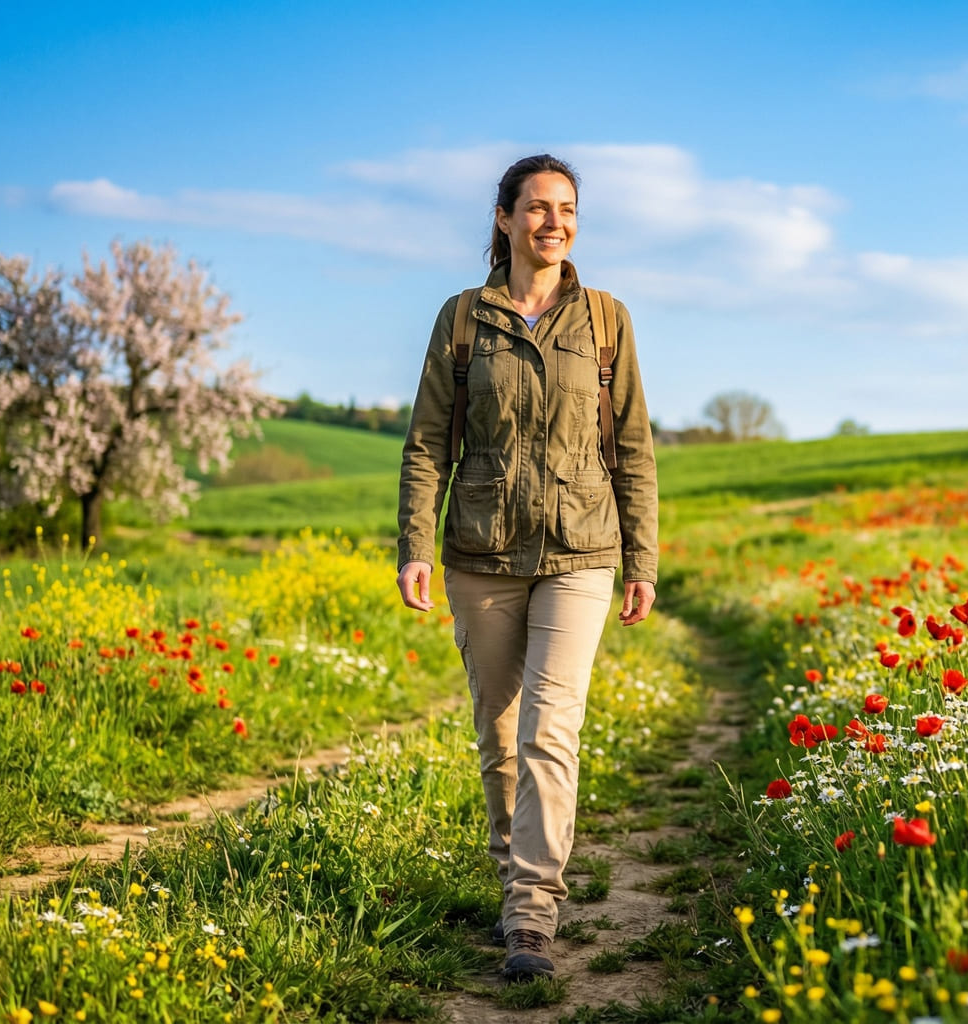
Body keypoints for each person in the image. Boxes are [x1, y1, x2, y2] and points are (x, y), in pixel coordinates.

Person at [395, 153, 659, 981]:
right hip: (481, 553)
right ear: (504, 218)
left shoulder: (607, 320)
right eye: (538, 207)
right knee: (500, 732)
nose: (555, 221)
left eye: (568, 208)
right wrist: (414, 545)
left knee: (553, 726)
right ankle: (515, 872)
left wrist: (643, 557)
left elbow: (633, 449)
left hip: (582, 550)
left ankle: (531, 912)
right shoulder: (463, 319)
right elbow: (429, 443)